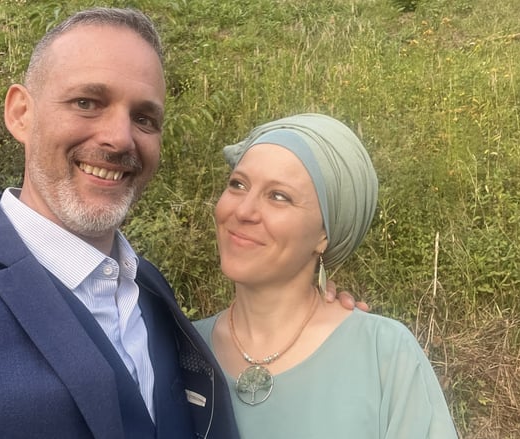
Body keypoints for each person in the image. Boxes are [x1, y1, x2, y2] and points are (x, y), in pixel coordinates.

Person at [0, 8, 359, 439]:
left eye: (144, 118)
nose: (120, 138)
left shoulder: (157, 299)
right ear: (21, 113)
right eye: (87, 102)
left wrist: (321, 316)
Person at [194, 113, 458, 438]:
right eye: (238, 184)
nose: (243, 211)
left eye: (279, 196)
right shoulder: (179, 347)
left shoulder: (382, 354)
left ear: (324, 235)